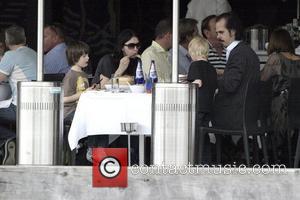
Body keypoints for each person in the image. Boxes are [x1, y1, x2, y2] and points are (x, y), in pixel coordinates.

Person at [213, 12, 260, 130]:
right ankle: (231, 147)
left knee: (200, 113)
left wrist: (211, 79)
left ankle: (210, 148)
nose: (218, 37)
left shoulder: (238, 54)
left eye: (221, 32)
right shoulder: (246, 51)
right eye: (217, 32)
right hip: (249, 115)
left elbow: (230, 85)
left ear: (233, 32)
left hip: (235, 115)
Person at [261, 29, 300, 144]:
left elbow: (262, 79)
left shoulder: (276, 58)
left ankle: (270, 150)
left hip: (282, 108)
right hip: (297, 108)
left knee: (261, 105)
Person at [0, 25, 37, 143]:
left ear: (6, 42)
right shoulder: (34, 53)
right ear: (25, 39)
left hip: (21, 108)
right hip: (39, 106)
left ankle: (11, 139)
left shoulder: (10, 55)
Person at [187, 36, 217, 127]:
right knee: (204, 128)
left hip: (198, 105)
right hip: (209, 105)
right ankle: (205, 141)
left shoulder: (194, 65)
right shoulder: (212, 68)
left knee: (195, 129)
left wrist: (187, 85)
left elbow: (198, 83)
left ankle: (197, 142)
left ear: (192, 52)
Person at [63, 40, 93, 121]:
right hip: (70, 112)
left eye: (87, 55)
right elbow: (64, 99)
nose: (88, 57)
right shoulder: (71, 76)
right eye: (84, 56)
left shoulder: (83, 74)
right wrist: (84, 93)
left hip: (80, 109)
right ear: (74, 58)